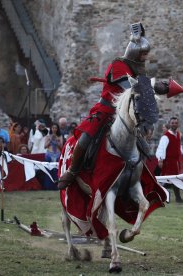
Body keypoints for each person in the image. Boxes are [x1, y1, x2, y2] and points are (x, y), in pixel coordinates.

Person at [57, 22, 169, 190]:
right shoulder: (117, 65)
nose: (144, 58)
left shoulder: (137, 72)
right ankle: (72, 171)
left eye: (146, 55)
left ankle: (138, 181)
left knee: (143, 147)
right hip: (106, 110)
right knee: (86, 137)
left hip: (126, 115)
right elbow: (131, 89)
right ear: (133, 52)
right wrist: (153, 86)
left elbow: (143, 94)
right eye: (142, 55)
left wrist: (163, 87)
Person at [155, 117, 183, 203]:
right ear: (170, 124)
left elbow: (179, 146)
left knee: (175, 179)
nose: (174, 124)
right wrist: (160, 159)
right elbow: (161, 148)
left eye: (176, 123)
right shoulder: (166, 136)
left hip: (175, 161)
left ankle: (178, 198)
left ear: (178, 124)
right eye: (173, 123)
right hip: (168, 161)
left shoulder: (178, 134)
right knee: (165, 179)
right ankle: (158, 196)